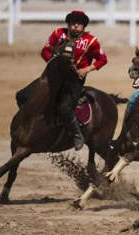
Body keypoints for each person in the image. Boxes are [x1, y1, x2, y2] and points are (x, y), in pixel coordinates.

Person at [16, 10, 108, 151]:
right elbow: (45, 50)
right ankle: (27, 123)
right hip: (52, 77)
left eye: (79, 24)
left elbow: (103, 60)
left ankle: (77, 135)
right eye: (73, 23)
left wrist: (87, 69)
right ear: (68, 24)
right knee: (21, 95)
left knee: (64, 108)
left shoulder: (91, 41)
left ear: (83, 26)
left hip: (74, 81)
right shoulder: (58, 34)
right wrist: (52, 62)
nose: (76, 26)